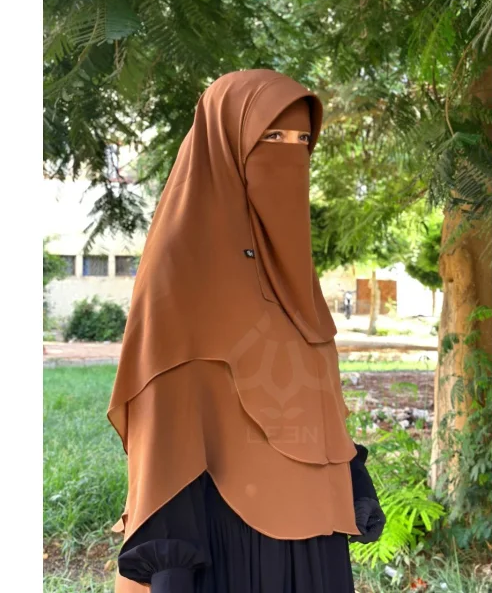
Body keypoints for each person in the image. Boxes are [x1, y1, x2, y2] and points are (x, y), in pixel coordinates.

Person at [106, 69, 386, 593]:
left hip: (312, 537)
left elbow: (315, 393)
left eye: (302, 141)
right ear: (225, 143)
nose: (290, 154)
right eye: (272, 137)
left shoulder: (292, 272)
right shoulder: (179, 267)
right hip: (224, 539)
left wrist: (352, 477)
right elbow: (167, 418)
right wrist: (170, 560)